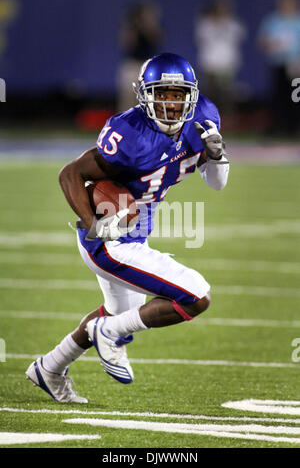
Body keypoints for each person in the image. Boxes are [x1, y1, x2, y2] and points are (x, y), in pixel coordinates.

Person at [25, 53, 230, 403]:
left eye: (178, 94)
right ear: (145, 95)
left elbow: (217, 184)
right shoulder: (129, 134)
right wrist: (96, 226)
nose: (170, 103)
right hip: (110, 239)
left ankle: (49, 367)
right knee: (196, 296)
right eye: (162, 93)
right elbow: (70, 174)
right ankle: (110, 333)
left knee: (120, 310)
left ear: (191, 96)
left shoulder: (203, 118)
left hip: (137, 233)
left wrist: (216, 155)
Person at [194, 0, 246, 126]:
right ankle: (206, 123)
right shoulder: (206, 24)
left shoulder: (233, 24)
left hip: (227, 66)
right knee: (210, 97)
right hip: (210, 65)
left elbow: (240, 36)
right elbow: (202, 39)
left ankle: (229, 125)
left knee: (227, 98)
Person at [257, 0, 300, 135]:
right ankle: (279, 127)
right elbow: (262, 42)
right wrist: (272, 44)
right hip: (278, 64)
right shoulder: (273, 21)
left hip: (295, 65)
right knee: (279, 96)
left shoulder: (298, 21)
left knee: (295, 97)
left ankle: (295, 127)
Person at [117, 1, 163, 112]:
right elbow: (127, 44)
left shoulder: (153, 28)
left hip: (148, 66)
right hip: (133, 64)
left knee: (148, 102)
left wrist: (149, 25)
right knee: (128, 101)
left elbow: (157, 38)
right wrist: (137, 27)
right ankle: (123, 127)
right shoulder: (132, 27)